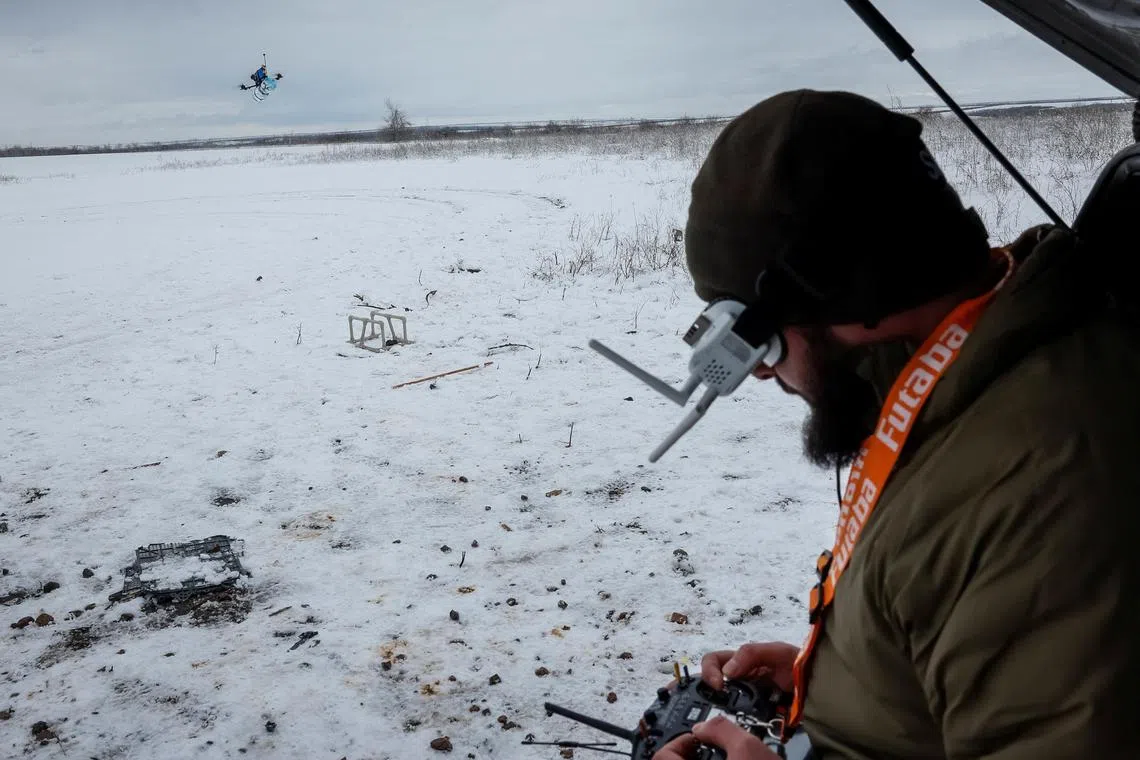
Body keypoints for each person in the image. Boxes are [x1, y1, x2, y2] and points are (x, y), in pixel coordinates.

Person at [651, 89, 1140, 759]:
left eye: (756, 346)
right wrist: (840, 678)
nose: (763, 376)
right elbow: (983, 647)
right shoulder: (975, 376)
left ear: (841, 295)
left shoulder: (1041, 482)